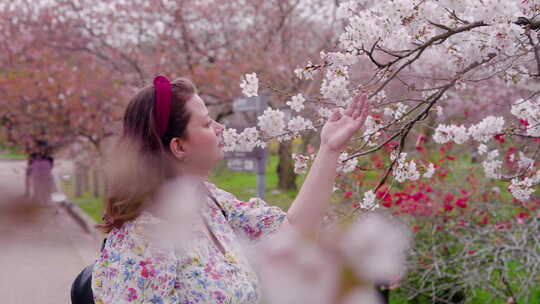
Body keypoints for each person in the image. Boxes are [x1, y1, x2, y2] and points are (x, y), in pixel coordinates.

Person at [91, 75, 370, 304]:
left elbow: (292, 230)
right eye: (206, 123)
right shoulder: (144, 239)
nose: (221, 128)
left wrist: (330, 149)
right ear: (179, 147)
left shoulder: (209, 203)